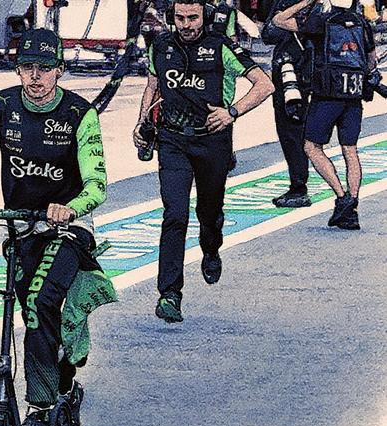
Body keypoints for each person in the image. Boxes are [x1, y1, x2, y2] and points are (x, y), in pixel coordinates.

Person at [0, 28, 116, 426]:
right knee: (34, 314)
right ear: (18, 69)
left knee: (40, 302)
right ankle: (65, 390)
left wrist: (71, 208)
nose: (35, 78)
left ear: (60, 70)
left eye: (45, 69)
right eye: (27, 68)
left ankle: (41, 409)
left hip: (69, 228)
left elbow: (98, 183)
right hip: (21, 225)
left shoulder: (81, 114)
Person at [134, 0, 274, 323]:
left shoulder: (221, 45)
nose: (186, 24)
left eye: (192, 17)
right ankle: (169, 293)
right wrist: (142, 123)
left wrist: (232, 112)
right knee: (175, 214)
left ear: (204, 16)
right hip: (172, 141)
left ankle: (211, 248)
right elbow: (152, 87)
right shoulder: (160, 46)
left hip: (213, 141)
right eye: (180, 18)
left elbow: (265, 85)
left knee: (208, 213)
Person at [273, 0, 377, 229]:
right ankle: (353, 204)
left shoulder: (320, 20)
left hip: (326, 95)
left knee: (311, 147)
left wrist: (306, 2)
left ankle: (342, 198)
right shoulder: (362, 23)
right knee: (350, 150)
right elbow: (371, 62)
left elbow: (277, 21)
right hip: (354, 94)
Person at [262, 0, 315, 208]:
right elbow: (268, 34)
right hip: (288, 72)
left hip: (298, 73)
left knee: (292, 131)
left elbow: (273, 29)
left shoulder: (311, 7)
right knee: (290, 132)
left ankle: (299, 187)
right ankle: (298, 184)